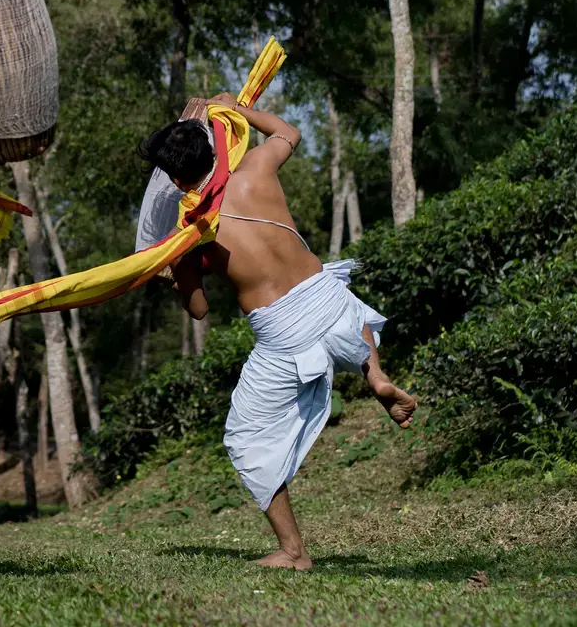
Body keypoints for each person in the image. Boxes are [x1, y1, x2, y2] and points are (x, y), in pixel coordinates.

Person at [142, 93, 417, 571]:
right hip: (327, 299)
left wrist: (176, 278)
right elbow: (289, 131)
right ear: (214, 147)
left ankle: (294, 551)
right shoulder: (256, 170)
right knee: (342, 300)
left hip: (283, 332)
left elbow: (201, 310)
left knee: (245, 438)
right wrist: (232, 107)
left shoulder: (191, 236)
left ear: (175, 179)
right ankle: (373, 374)